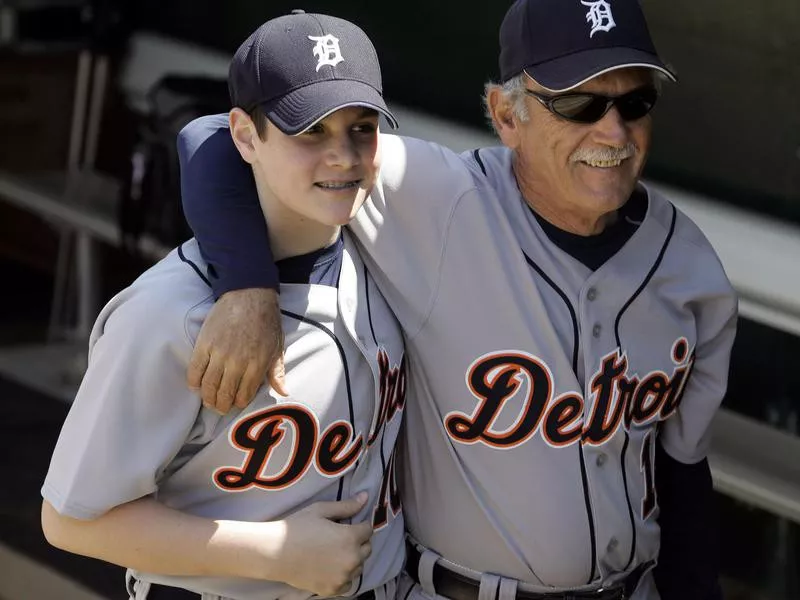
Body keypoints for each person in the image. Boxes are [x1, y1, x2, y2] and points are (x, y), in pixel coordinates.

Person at [176, 0, 738, 599]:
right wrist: (248, 286)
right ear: (506, 115)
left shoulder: (688, 264)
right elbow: (210, 134)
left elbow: (683, 476)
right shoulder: (435, 197)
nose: (614, 132)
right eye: (580, 104)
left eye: (635, 102)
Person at [40, 11, 408, 600]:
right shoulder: (170, 313)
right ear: (243, 136)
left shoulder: (391, 254)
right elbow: (70, 519)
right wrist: (271, 554)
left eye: (361, 127)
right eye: (309, 130)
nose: (342, 155)